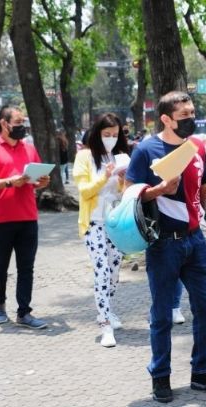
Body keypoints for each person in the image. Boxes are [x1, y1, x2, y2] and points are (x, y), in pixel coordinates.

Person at [125, 91, 206, 403]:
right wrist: (158, 190)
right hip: (162, 245)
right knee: (161, 314)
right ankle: (160, 376)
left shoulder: (197, 146)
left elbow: (203, 189)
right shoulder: (146, 150)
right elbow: (129, 194)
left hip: (195, 241)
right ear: (166, 119)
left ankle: (202, 370)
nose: (190, 120)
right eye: (183, 116)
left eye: (192, 113)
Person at [0, 106, 50, 329]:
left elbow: (34, 178)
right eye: (17, 122)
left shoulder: (29, 148)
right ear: (4, 123)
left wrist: (41, 183)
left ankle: (24, 312)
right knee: (0, 266)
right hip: (0, 218)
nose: (21, 126)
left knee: (26, 267)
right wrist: (8, 182)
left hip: (28, 216)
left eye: (22, 122)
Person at [74, 113, 130, 348]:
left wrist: (123, 179)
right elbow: (85, 191)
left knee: (115, 270)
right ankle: (104, 322)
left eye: (115, 135)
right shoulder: (85, 157)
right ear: (97, 133)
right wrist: (104, 176)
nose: (111, 139)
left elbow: (120, 193)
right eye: (107, 134)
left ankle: (107, 308)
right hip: (94, 223)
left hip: (114, 222)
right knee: (102, 270)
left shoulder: (118, 156)